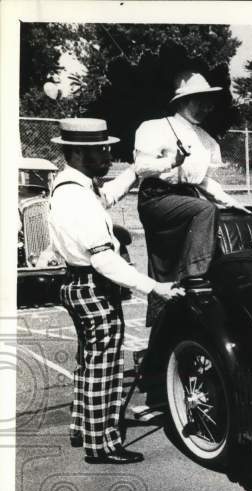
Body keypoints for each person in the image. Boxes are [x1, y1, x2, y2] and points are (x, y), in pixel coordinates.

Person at [48, 118, 185, 464]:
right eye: (100, 150)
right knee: (104, 367)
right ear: (78, 152)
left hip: (75, 283)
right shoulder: (76, 198)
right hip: (92, 284)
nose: (108, 154)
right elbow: (104, 261)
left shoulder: (73, 186)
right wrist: (154, 287)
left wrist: (140, 172)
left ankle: (83, 428)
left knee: (88, 361)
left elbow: (106, 196)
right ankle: (102, 445)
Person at [134, 71, 248, 324]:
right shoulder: (155, 128)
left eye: (209, 102)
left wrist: (232, 202)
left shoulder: (206, 140)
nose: (206, 107)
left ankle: (174, 319)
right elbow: (141, 168)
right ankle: (195, 277)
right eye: (200, 100)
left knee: (218, 214)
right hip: (157, 198)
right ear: (182, 102)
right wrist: (171, 162)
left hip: (188, 198)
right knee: (204, 210)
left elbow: (204, 181)